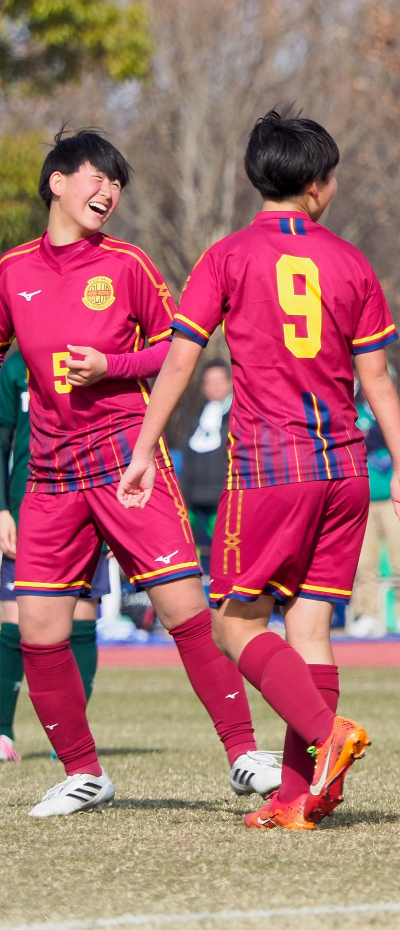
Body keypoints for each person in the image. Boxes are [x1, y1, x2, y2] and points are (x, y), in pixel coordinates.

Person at [118, 109, 400, 831]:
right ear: (317, 184)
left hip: (269, 467)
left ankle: (326, 735)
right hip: (347, 467)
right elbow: (378, 380)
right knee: (309, 629)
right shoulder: (351, 262)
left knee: (234, 626)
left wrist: (143, 449)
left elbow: (181, 362)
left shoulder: (227, 256)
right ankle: (300, 798)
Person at [1, 130, 277, 817]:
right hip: (50, 474)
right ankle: (83, 773)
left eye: (118, 183)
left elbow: (176, 350)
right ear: (58, 182)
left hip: (128, 459)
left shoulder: (127, 265)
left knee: (185, 611)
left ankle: (244, 753)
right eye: (98, 177)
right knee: (38, 630)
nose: (110, 192)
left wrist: (110, 367)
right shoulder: (12, 271)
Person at [0, 345, 100, 762]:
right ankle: (3, 731)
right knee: (14, 620)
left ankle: (73, 737)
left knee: (82, 618)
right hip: (29, 505)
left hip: (94, 500)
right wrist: (2, 510)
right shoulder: (15, 365)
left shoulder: (94, 351)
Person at [352, 370, 400, 636]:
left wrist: (383, 409)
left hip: (397, 498)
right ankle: (367, 614)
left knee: (399, 559)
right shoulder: (356, 412)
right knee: (364, 562)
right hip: (364, 498)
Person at [179, 359, 232, 574]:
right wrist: (184, 501)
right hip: (196, 505)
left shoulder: (238, 417)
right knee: (202, 565)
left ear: (230, 382)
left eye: (219, 381)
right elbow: (188, 464)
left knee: (226, 561)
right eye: (209, 382)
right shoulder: (197, 420)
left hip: (225, 502)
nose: (214, 387)